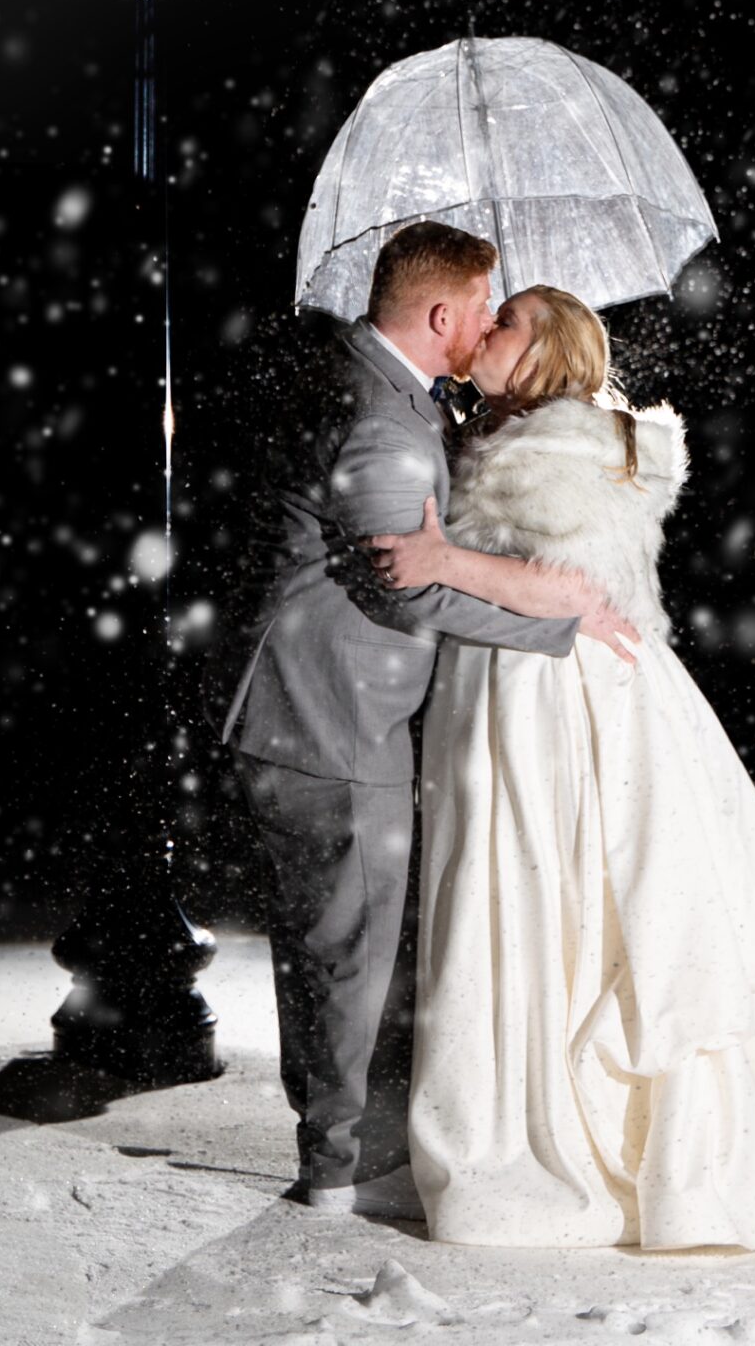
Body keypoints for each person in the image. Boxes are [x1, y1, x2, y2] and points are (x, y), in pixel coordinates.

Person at [367, 283, 755, 1251]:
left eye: (507, 321)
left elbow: (568, 588)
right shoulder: (531, 432)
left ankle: (610, 1143)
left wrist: (441, 559)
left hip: (558, 699)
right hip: (540, 685)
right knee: (572, 900)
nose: (488, 331)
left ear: (549, 348)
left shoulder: (561, 444)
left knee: (586, 899)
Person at [214, 224, 641, 1220]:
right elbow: (403, 591)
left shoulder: (383, 393)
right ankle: (344, 1166)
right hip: (333, 720)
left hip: (315, 714)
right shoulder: (384, 420)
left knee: (338, 947)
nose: (491, 325)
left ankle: (346, 1143)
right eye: (486, 309)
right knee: (349, 955)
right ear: (443, 315)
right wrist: (560, 620)